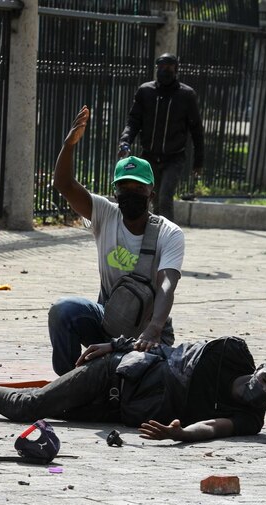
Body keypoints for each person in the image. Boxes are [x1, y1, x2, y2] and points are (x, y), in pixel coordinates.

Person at [0, 336, 266, 442]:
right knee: (29, 407)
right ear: (261, 366)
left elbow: (214, 427)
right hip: (113, 374)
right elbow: (166, 350)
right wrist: (113, 345)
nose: (260, 389)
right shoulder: (228, 354)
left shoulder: (251, 417)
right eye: (265, 378)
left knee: (47, 412)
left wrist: (181, 434)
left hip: (117, 412)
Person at [51, 105, 185, 376]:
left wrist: (154, 328)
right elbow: (65, 185)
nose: (131, 193)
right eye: (124, 187)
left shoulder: (169, 233)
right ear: (116, 190)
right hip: (108, 320)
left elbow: (167, 283)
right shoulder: (105, 214)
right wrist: (68, 145)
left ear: (150, 192)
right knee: (62, 311)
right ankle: (66, 383)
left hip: (149, 333)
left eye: (138, 188)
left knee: (133, 376)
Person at [118, 53, 204, 222]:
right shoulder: (145, 91)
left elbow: (196, 130)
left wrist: (198, 161)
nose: (165, 70)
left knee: (164, 197)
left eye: (169, 67)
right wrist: (125, 140)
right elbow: (133, 121)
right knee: (151, 197)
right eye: (161, 67)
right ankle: (150, 233)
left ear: (176, 70)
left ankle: (167, 238)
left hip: (174, 157)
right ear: (157, 69)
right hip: (149, 156)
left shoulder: (186, 95)